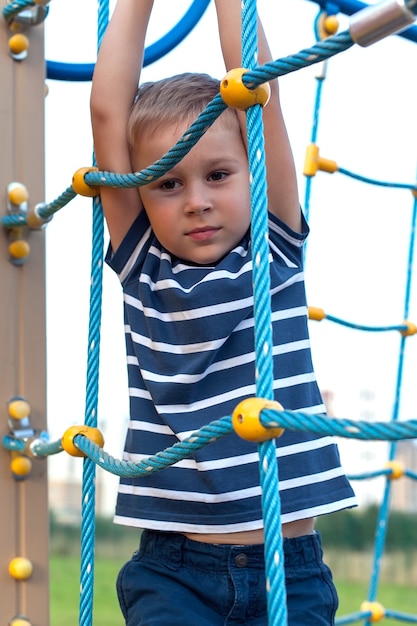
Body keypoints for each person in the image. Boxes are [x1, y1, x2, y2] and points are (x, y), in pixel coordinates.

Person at [90, 1, 356, 624]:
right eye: (169, 183)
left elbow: (257, 84)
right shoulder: (142, 266)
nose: (197, 202)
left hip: (290, 569)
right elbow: (107, 112)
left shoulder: (274, 247)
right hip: (175, 574)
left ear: (250, 173)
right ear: (142, 190)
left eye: (217, 174)